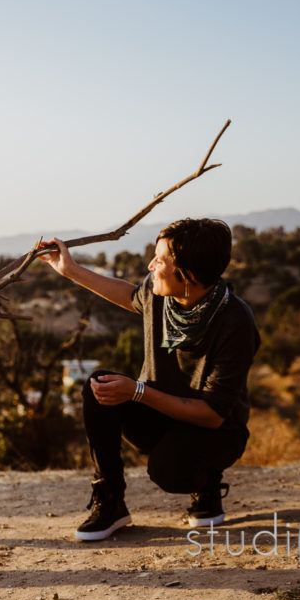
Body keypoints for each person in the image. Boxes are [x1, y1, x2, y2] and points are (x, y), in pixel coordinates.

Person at [39, 218, 259, 541]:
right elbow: (130, 296)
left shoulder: (236, 322)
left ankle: (207, 483)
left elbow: (213, 415)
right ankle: (110, 500)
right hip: (161, 415)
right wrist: (69, 270)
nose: (150, 265)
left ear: (189, 276)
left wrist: (139, 392)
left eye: (160, 260)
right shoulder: (162, 297)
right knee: (98, 386)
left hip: (215, 432)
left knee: (167, 470)